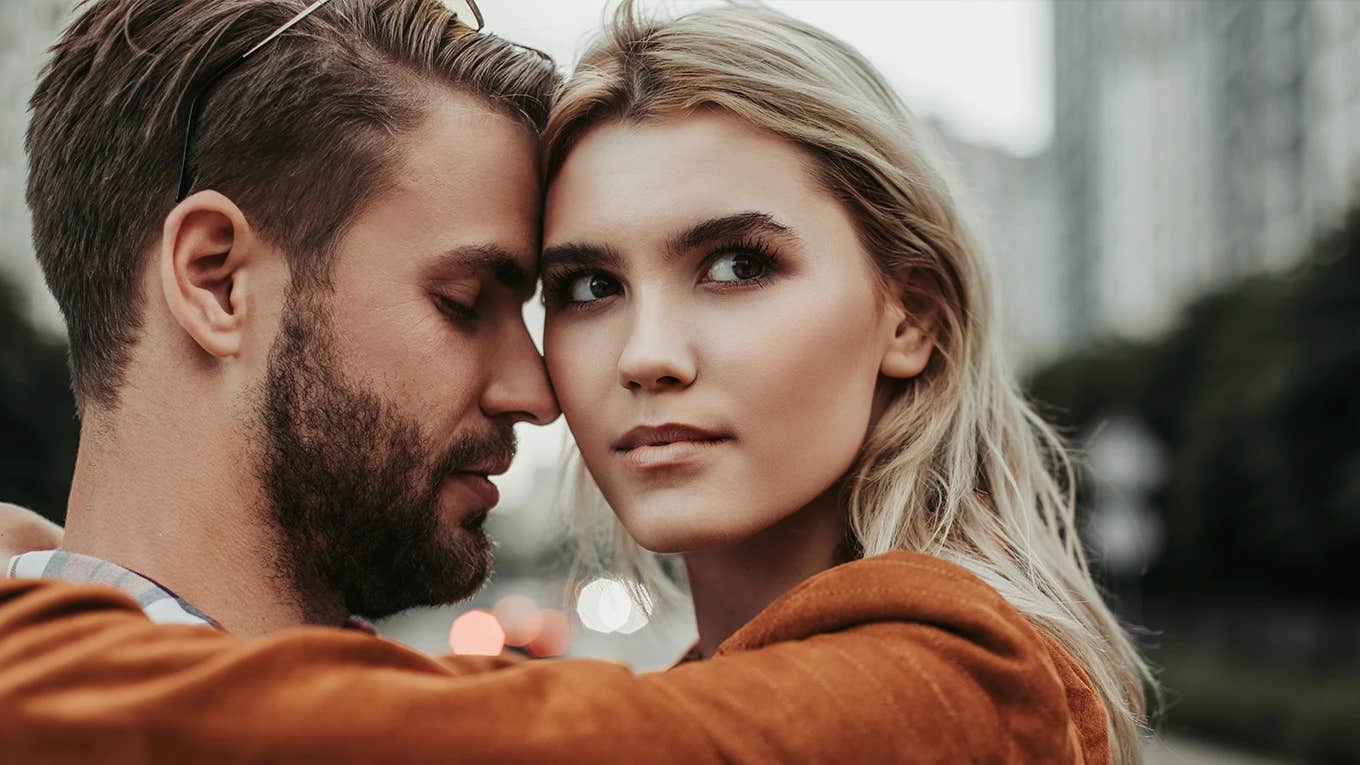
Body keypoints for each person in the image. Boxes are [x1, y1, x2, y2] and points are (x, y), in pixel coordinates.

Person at [0, 2, 1128, 763]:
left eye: (739, 265)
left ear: (912, 316)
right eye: (582, 286)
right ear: (214, 281)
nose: (560, 385)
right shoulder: (703, 687)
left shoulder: (972, 687)